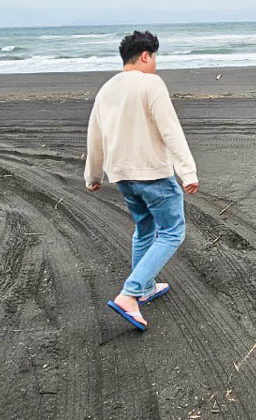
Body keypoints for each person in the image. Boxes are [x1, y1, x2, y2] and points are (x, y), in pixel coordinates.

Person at [85, 30, 199, 330]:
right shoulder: (151, 83)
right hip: (153, 173)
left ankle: (145, 287)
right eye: (155, 57)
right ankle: (130, 293)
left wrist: (93, 174)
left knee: (144, 228)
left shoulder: (107, 89)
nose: (156, 64)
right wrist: (187, 171)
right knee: (173, 232)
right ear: (145, 55)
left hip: (121, 175)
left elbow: (95, 136)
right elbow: (170, 129)